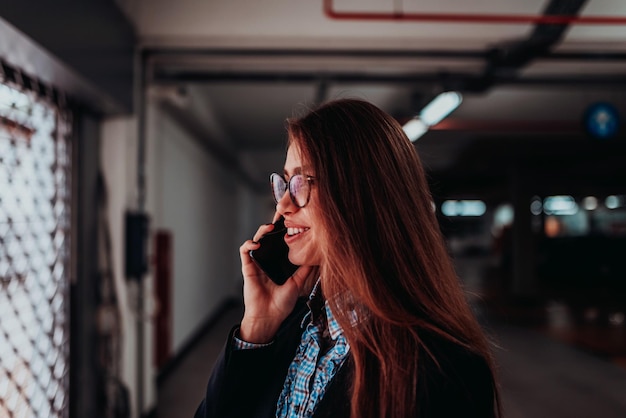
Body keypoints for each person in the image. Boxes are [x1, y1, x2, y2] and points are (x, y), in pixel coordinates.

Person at [194, 98, 502, 418]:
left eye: (301, 183)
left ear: (362, 196)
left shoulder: (444, 369)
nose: (283, 206)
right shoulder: (288, 329)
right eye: (284, 183)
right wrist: (257, 327)